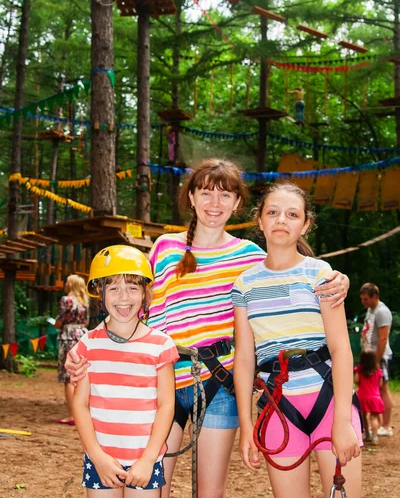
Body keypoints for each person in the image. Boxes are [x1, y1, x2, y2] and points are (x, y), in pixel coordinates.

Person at [64, 159, 350, 498]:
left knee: (209, 492)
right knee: (154, 485)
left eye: (225, 195)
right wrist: (93, 348)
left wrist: (339, 279)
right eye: (206, 193)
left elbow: (288, 272)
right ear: (192, 198)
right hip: (162, 379)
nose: (215, 203)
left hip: (219, 383)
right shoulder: (166, 249)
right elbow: (135, 309)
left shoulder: (249, 257)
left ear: (238, 204)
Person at [232, 182, 362, 498]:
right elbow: (245, 358)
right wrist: (246, 426)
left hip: (329, 400)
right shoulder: (244, 284)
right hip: (279, 406)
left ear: (305, 224)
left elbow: (340, 349)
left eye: (292, 214)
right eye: (272, 212)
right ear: (259, 220)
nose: (281, 220)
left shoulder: (320, 275)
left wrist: (342, 421)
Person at [72, 245, 178, 496]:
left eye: (133, 287)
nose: (124, 297)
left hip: (145, 460)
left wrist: (149, 459)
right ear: (100, 292)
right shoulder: (88, 344)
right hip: (100, 459)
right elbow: (80, 405)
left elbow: (166, 405)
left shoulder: (161, 345)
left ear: (145, 293)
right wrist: (97, 456)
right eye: (114, 288)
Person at [55, 274, 89, 425]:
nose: (65, 284)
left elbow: (59, 322)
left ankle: (72, 415)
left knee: (68, 377)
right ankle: (83, 413)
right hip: (82, 336)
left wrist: (57, 324)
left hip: (68, 336)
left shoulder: (66, 300)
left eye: (67, 282)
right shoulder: (85, 302)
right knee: (81, 375)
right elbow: (87, 321)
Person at [360, 282, 393, 437]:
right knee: (375, 391)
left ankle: (386, 426)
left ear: (375, 296)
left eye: (366, 299)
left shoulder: (382, 312)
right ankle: (378, 425)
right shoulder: (371, 310)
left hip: (379, 357)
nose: (363, 302)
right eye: (362, 299)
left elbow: (383, 338)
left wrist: (376, 361)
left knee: (382, 389)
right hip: (370, 358)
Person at [354, 349, 384, 446]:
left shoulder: (359, 369)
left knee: (364, 417)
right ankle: (375, 437)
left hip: (363, 397)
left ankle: (367, 434)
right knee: (374, 417)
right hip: (375, 397)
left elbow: (356, 380)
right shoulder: (378, 371)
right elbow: (380, 384)